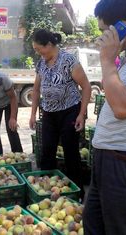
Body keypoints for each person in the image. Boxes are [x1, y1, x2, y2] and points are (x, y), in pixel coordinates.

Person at [83, 0, 126, 234]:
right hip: (107, 159)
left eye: (103, 31)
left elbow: (123, 107)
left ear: (123, 26)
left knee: (122, 228)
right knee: (94, 224)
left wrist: (107, 60)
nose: (100, 38)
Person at [29, 29, 91, 198]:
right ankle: (46, 190)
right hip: (49, 113)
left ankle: (77, 192)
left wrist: (81, 114)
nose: (37, 52)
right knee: (47, 150)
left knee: (71, 151)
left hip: (70, 111)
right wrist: (33, 114)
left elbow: (86, 87)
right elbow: (35, 90)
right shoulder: (41, 63)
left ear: (49, 45)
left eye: (38, 48)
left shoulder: (69, 60)